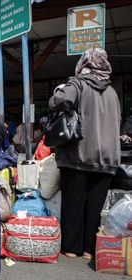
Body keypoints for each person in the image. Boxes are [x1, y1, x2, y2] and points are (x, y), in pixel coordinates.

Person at [48, 48, 121, 260]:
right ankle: (90, 250)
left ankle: (71, 248)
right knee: (94, 207)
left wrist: (59, 92)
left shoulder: (78, 83)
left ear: (84, 62)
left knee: (74, 202)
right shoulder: (112, 92)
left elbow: (61, 101)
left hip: (78, 156)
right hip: (107, 158)